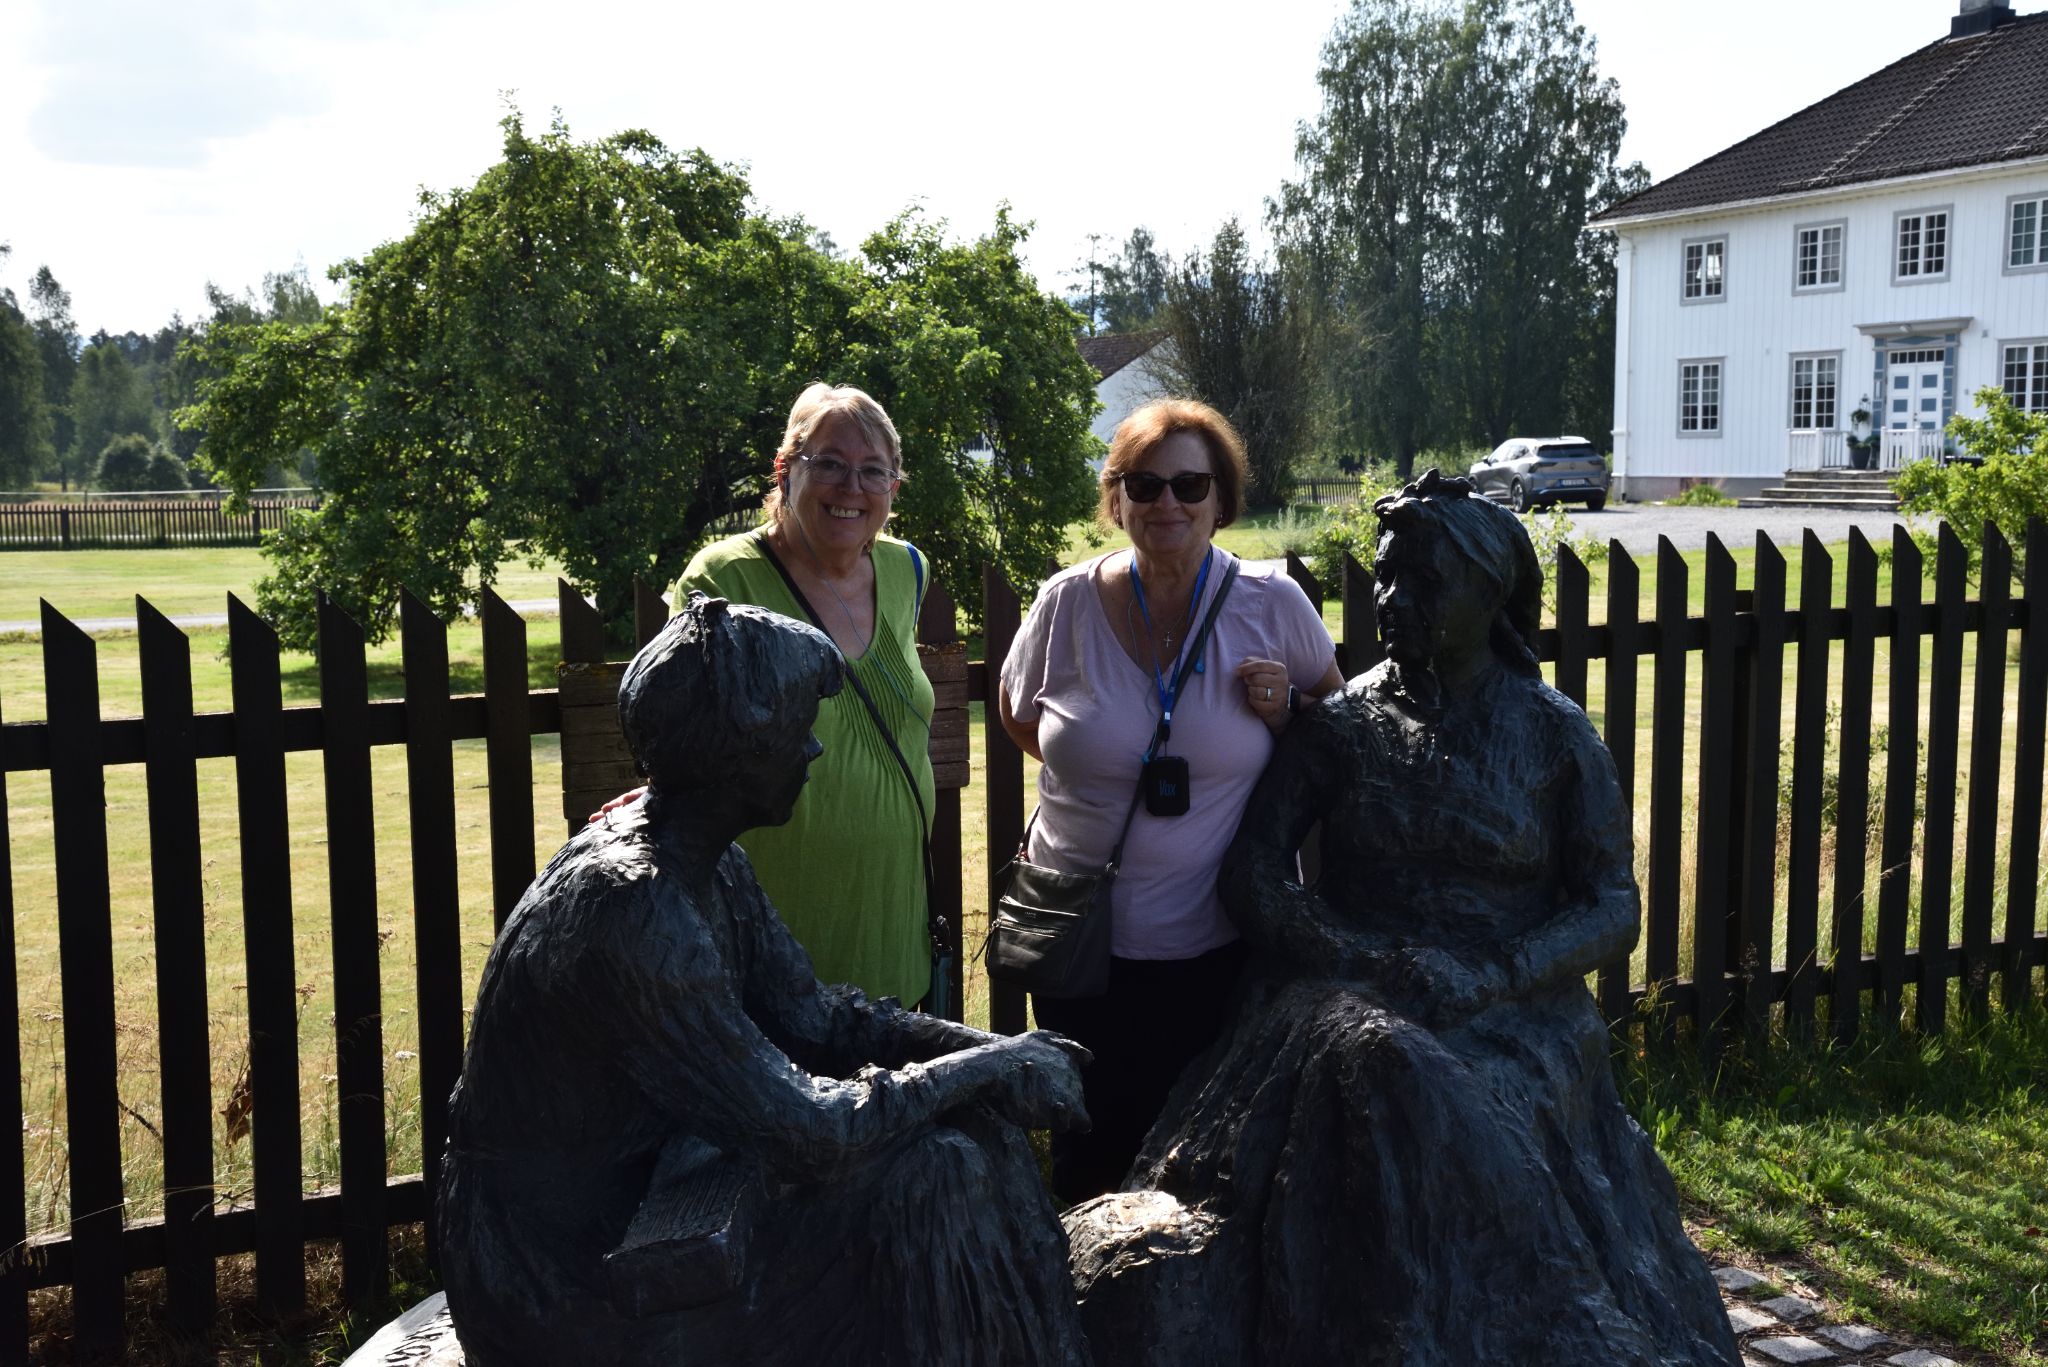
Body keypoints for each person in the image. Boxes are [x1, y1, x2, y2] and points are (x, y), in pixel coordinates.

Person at [1063, 470, 1738, 1366]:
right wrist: (1361, 952)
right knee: (1377, 1059)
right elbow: (1254, 876)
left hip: (1513, 1010)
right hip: (1343, 990)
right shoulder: (1341, 724)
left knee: (1431, 1079)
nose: (1391, 598)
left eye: (1422, 581)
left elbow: (1614, 905)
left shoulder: (1554, 736)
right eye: (1384, 575)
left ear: (1489, 593)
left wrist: (1497, 970)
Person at [439, 595, 1093, 1367]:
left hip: (655, 1196)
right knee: (934, 1175)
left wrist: (990, 1050)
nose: (814, 750)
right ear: (738, 747)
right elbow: (811, 1132)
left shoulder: (711, 862)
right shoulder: (633, 910)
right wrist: (989, 1065)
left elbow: (820, 1018)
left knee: (977, 1130)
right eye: (796, 726)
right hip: (557, 1281)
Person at [997, 398, 1342, 1203]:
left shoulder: (1271, 604)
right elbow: (1020, 715)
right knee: (1086, 1159)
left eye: (1191, 485)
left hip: (1217, 947)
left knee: (1204, 1166)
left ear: (1222, 500)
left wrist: (1287, 712)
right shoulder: (1065, 604)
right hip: (1081, 944)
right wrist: (1100, 770)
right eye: (1144, 485)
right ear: (1115, 498)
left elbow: (1342, 737)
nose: (1168, 505)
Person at [673, 382, 937, 1008]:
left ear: (893, 488)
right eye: (829, 464)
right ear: (785, 469)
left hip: (891, 917)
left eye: (874, 471)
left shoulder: (908, 572)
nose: (852, 488)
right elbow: (674, 729)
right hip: (770, 924)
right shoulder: (722, 579)